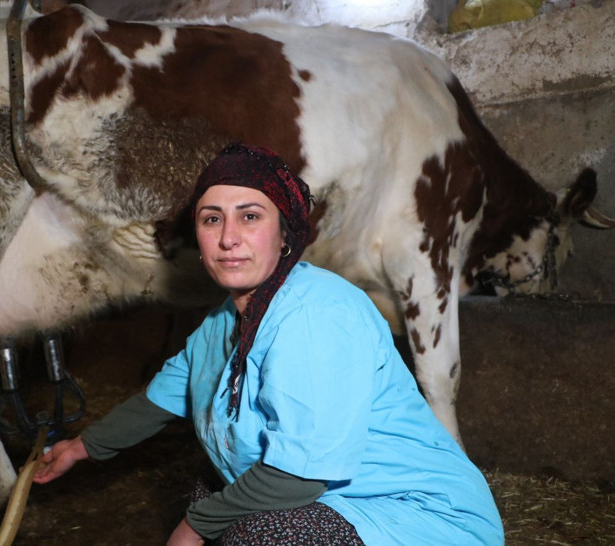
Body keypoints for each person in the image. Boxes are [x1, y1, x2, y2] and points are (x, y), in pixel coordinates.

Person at [33, 142, 504, 545]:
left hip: (418, 514)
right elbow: (161, 400)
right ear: (197, 240)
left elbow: (298, 475)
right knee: (212, 483)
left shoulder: (317, 314)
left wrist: (192, 528)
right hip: (333, 498)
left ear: (284, 234)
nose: (228, 239)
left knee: (253, 533)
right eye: (211, 219)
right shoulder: (223, 321)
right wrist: (81, 448)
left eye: (250, 216)